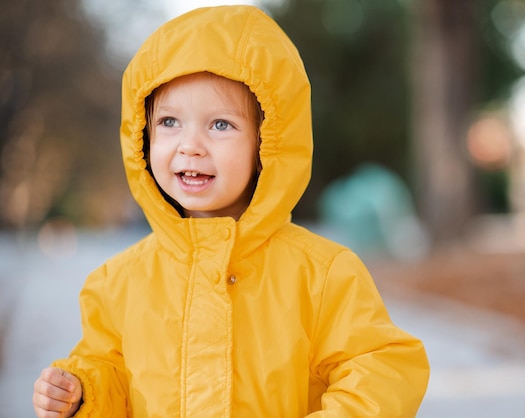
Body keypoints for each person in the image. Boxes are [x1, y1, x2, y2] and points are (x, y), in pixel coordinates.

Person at [32, 5, 429, 417]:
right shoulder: (116, 284)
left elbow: (381, 366)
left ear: (269, 140)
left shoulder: (323, 275)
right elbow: (110, 371)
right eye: (169, 122)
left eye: (220, 125)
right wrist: (83, 392)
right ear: (141, 133)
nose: (190, 145)